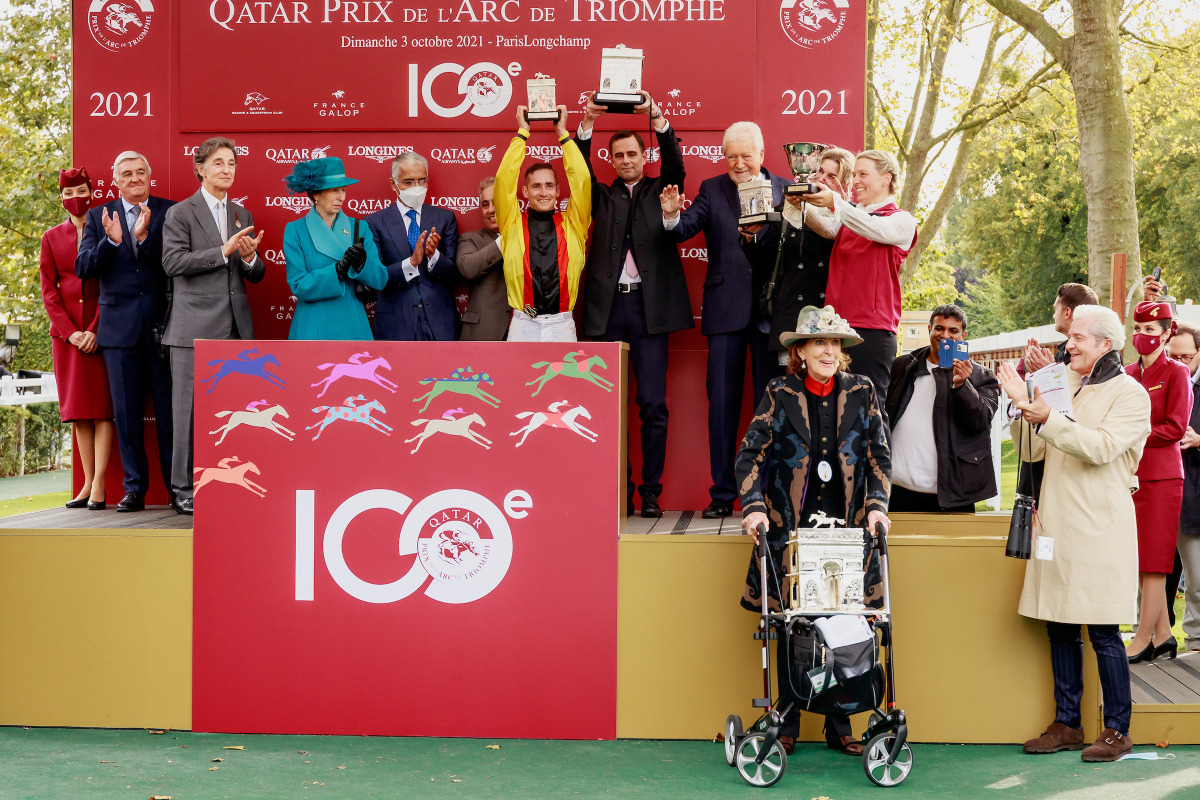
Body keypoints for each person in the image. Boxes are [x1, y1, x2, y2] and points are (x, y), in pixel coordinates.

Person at [735, 304, 892, 757]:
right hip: (790, 532)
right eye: (818, 342)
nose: (828, 350)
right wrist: (753, 507)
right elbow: (750, 455)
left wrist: (878, 506)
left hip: (846, 533)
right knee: (792, 626)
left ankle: (838, 722)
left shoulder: (862, 390)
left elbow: (880, 457)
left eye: (834, 343)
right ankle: (787, 719)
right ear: (799, 351)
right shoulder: (778, 390)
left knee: (842, 622)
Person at [997, 305, 1150, 762]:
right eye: (1071, 336)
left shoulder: (1131, 394)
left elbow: (1100, 447)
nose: (1070, 344)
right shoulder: (1062, 383)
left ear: (1107, 344)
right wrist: (1024, 409)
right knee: (1060, 626)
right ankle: (1067, 723)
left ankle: (1117, 730)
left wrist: (1046, 415)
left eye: (1080, 337)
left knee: (1103, 630)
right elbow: (1031, 451)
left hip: (1101, 526)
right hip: (1057, 523)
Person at [660, 121, 791, 518]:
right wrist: (669, 216)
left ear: (761, 155)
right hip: (724, 310)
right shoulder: (712, 189)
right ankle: (722, 494)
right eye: (730, 155)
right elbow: (684, 228)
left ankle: (767, 496)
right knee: (721, 407)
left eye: (745, 155)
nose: (737, 163)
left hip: (773, 314)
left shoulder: (787, 189)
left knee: (773, 408)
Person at [576, 93, 692, 518]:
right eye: (618, 155)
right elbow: (579, 167)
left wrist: (657, 118)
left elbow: (677, 165)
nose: (626, 160)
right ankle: (619, 488)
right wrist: (586, 124)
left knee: (652, 404)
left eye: (632, 153)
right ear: (611, 160)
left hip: (650, 311)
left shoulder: (662, 187)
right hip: (608, 312)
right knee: (609, 405)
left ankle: (650, 491)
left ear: (645, 157)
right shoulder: (599, 195)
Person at [161, 137, 266, 516]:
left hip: (236, 329)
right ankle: (183, 488)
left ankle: (221, 481)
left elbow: (253, 274)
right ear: (200, 169)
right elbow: (172, 263)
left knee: (234, 414)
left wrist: (250, 258)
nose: (227, 169)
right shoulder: (181, 213)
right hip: (192, 330)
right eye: (219, 163)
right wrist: (221, 252)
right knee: (187, 414)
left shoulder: (240, 213)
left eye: (232, 163)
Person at [75, 151, 175, 513]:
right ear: (115, 179)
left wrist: (145, 238)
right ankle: (134, 489)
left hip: (164, 327)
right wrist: (112, 242)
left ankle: (179, 489)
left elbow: (176, 262)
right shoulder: (99, 218)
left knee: (170, 416)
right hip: (117, 332)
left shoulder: (171, 211)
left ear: (150, 175)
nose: (134, 178)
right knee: (127, 417)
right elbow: (83, 266)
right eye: (126, 173)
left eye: (140, 172)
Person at [803, 151, 917, 401]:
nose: (854, 181)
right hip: (835, 330)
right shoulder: (850, 217)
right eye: (854, 174)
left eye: (863, 174)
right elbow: (825, 225)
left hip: (872, 332)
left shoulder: (901, 220)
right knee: (832, 413)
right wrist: (800, 201)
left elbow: (873, 227)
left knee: (869, 416)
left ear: (887, 178)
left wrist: (836, 201)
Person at [39, 167, 114, 510]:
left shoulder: (107, 229)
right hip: (67, 338)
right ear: (61, 198)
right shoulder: (51, 237)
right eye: (68, 194)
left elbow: (113, 284)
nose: (74, 198)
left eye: (80, 191)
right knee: (79, 413)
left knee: (102, 410)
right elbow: (49, 292)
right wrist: (71, 333)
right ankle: (85, 482)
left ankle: (99, 485)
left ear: (91, 192)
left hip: (102, 331)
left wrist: (94, 330)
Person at [741, 147, 855, 368]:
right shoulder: (786, 209)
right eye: (820, 171)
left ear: (844, 184)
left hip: (831, 319)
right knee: (793, 396)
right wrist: (750, 238)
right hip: (792, 318)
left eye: (832, 176)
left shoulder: (851, 216)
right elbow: (765, 265)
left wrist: (838, 206)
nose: (822, 178)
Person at [1124, 300, 1193, 663]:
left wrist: (1132, 434)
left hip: (1163, 476)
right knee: (1139, 558)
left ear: (1167, 333)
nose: (1142, 336)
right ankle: (1164, 634)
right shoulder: (1127, 372)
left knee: (1154, 561)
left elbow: (1176, 427)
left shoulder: (1177, 372)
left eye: (1150, 330)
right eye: (1138, 329)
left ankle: (1143, 638)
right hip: (1131, 475)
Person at [884, 305, 999, 512]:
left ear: (963, 335)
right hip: (897, 491)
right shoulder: (903, 366)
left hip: (952, 495)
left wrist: (962, 385)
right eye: (939, 328)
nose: (945, 335)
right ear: (929, 329)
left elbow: (980, 421)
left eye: (953, 330)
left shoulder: (981, 376)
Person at [495, 103, 590, 342]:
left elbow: (582, 180)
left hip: (562, 324)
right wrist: (522, 134)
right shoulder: (511, 223)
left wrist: (564, 135)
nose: (543, 192)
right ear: (525, 192)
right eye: (536, 186)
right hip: (524, 322)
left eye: (549, 186)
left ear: (558, 191)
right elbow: (503, 181)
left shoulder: (574, 224)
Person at [282, 157, 388, 340]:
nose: (342, 197)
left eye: (344, 190)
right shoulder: (295, 230)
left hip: (352, 324)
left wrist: (363, 265)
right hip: (312, 327)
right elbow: (298, 285)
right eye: (334, 190)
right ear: (315, 194)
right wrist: (337, 271)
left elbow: (381, 280)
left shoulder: (360, 228)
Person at [365, 152, 459, 341]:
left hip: (440, 322)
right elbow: (376, 276)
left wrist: (433, 256)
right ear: (393, 184)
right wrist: (411, 263)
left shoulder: (444, 218)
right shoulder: (374, 222)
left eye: (421, 181)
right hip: (395, 324)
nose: (416, 187)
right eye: (408, 182)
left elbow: (453, 274)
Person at [1167, 321, 1200, 651]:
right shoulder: (1158, 381)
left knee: (1198, 581)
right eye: (1172, 356)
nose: (1179, 363)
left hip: (1194, 497)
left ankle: (1196, 644)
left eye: (1186, 357)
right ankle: (1152, 635)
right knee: (1152, 576)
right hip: (1162, 494)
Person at [457, 177, 509, 341]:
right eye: (485, 205)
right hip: (483, 332)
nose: (491, 210)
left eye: (496, 202)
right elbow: (468, 268)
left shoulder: (530, 235)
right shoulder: (470, 239)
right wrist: (506, 239)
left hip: (527, 330)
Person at [1020, 283, 1100, 375]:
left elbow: (1084, 387)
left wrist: (1050, 372)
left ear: (1067, 312)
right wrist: (1034, 366)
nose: (1053, 316)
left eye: (1055, 309)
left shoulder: (1092, 354)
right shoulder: (1063, 352)